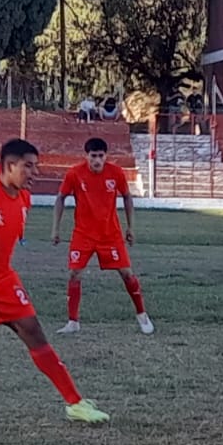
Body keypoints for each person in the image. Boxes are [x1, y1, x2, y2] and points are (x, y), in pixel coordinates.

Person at [0, 138, 111, 432]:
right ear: (9, 166)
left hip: (1, 277)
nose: (34, 172)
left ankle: (75, 403)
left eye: (35, 166)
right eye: (28, 166)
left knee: (34, 332)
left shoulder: (23, 197)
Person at [51, 137, 153, 335]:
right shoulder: (74, 173)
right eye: (93, 156)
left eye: (100, 156)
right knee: (74, 273)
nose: (97, 160)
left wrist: (131, 227)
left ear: (106, 156)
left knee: (126, 273)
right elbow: (61, 198)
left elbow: (127, 197)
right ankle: (73, 322)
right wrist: (55, 229)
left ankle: (142, 315)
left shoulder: (116, 173)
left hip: (110, 234)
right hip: (83, 234)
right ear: (86, 156)